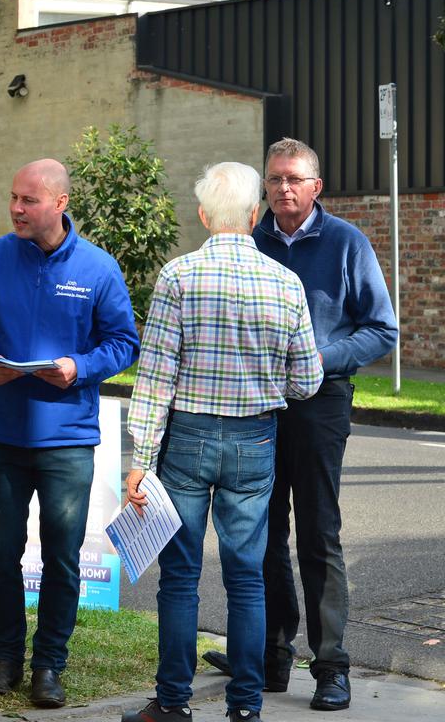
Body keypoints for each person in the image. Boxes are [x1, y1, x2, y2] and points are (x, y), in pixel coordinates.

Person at [122, 162, 324, 722]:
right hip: (254, 438)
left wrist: (139, 460)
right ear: (256, 214)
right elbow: (306, 381)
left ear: (204, 215)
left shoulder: (178, 276)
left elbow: (156, 378)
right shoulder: (285, 282)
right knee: (246, 576)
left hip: (186, 437)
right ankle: (245, 709)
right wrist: (264, 380)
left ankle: (172, 703)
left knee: (181, 576)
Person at [204, 139, 397, 712]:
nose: (283, 188)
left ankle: (332, 666)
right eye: (274, 180)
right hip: (258, 407)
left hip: (319, 405)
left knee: (318, 535)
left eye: (294, 179)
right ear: (262, 190)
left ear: (316, 186)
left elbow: (381, 329)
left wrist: (318, 357)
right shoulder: (248, 241)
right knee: (261, 534)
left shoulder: (346, 243)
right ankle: (272, 653)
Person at [0, 159, 140, 708]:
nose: (16, 208)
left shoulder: (99, 268)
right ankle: (5, 658)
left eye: (28, 200)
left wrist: (79, 367)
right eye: (13, 197)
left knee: (62, 557)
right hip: (3, 438)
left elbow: (123, 342)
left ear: (59, 203)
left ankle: (49, 665)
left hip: (68, 439)